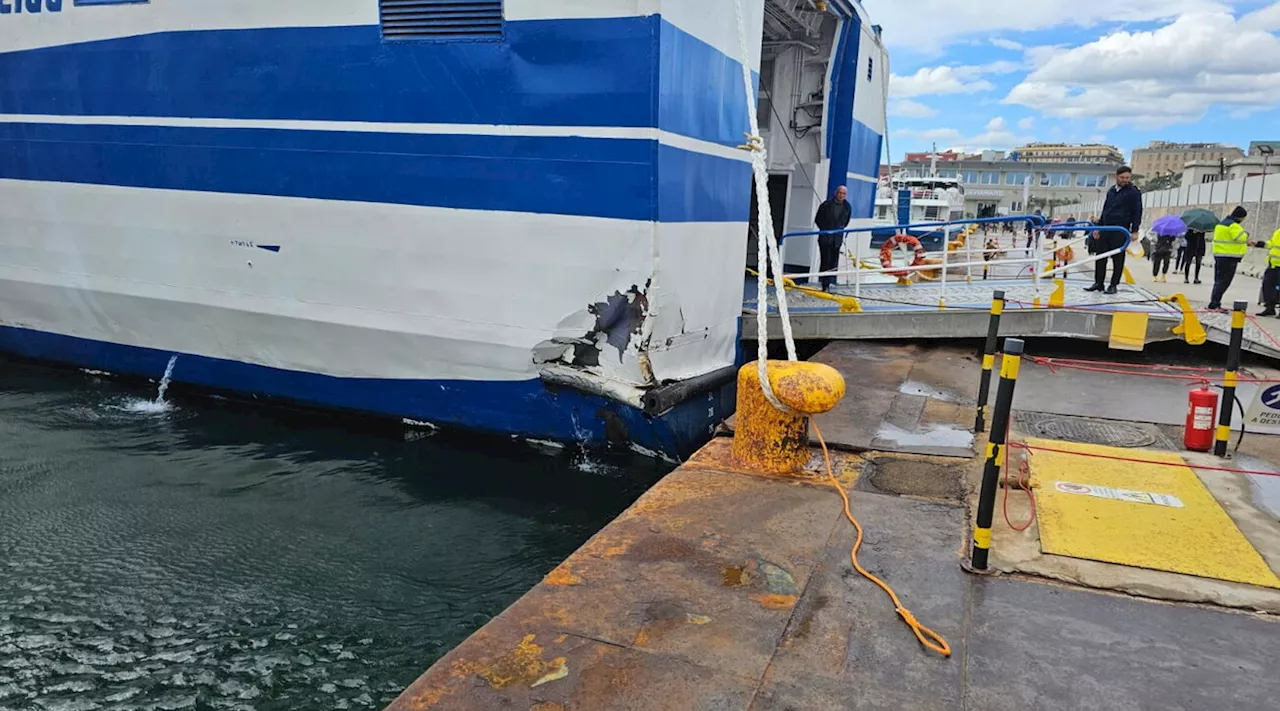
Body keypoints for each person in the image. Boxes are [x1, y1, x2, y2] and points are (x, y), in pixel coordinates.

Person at [1088, 166, 1143, 295]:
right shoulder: (1111, 191)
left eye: (1127, 178)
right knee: (1100, 256)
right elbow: (1105, 210)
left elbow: (1137, 212)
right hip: (1106, 227)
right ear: (1116, 177)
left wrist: (1134, 230)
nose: (1125, 180)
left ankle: (1113, 285)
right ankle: (1099, 282)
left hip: (1120, 229)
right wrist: (1098, 228)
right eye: (1122, 177)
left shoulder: (1133, 192)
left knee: (1118, 258)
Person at [1207, 206, 1251, 312]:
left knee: (1218, 280)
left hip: (1219, 256)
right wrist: (1246, 234)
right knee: (1224, 282)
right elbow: (1240, 237)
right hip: (1229, 258)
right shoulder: (1233, 225)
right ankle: (1215, 304)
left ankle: (1214, 303)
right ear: (1240, 217)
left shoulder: (1220, 225)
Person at [814, 186, 852, 291]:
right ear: (836, 192)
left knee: (834, 262)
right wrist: (826, 229)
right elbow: (818, 219)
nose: (841, 195)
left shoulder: (847, 207)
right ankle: (824, 284)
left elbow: (846, 222)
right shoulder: (825, 205)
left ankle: (829, 282)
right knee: (825, 261)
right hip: (825, 238)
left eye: (843, 193)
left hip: (837, 239)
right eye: (840, 193)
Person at [1263, 226, 1280, 317]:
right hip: (1273, 264)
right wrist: (1262, 244)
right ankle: (1270, 308)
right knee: (1267, 286)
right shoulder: (1278, 232)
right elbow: (1272, 244)